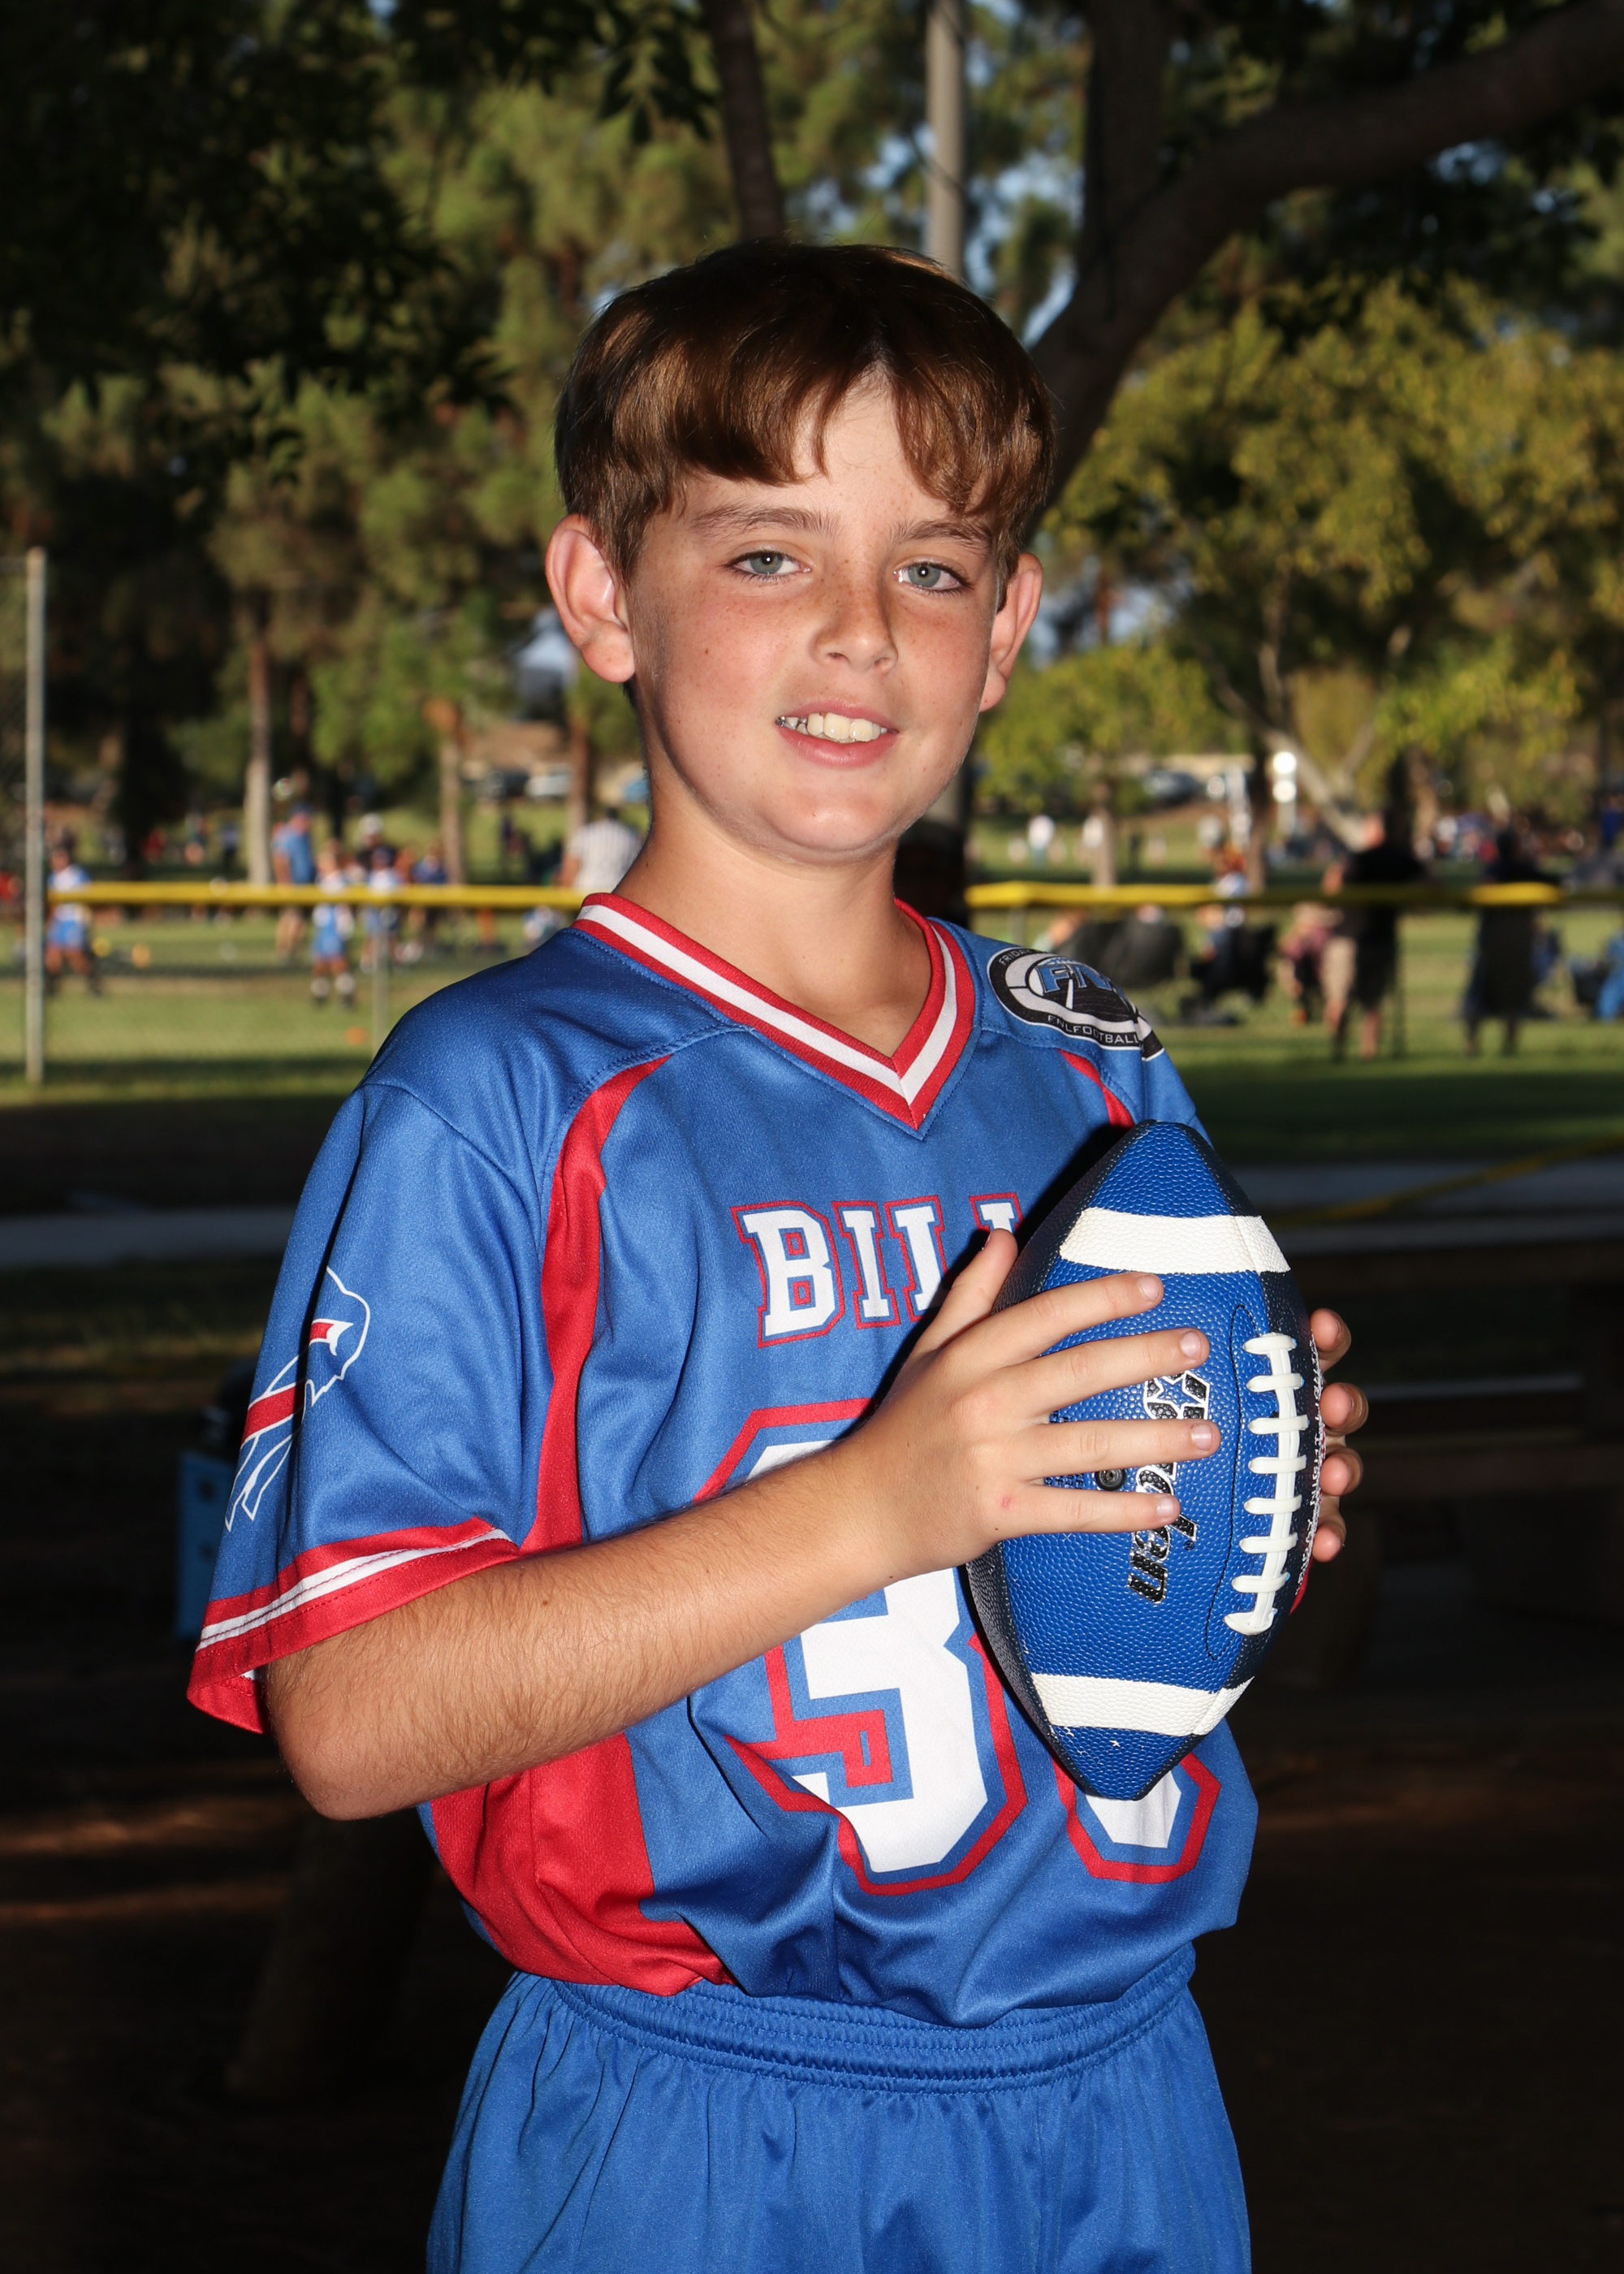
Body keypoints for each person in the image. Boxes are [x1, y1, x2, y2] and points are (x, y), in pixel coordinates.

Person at [188, 244, 1365, 2274]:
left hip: (1120, 2091)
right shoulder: (495, 1098)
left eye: (931, 567)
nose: (857, 629)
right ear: (598, 596)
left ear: (1006, 630)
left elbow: (1129, 1576)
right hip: (701, 2119)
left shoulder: (1092, 1065)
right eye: (763, 553)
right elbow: (351, 1717)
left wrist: (1248, 1496)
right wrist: (876, 1506)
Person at [1323, 811, 1426, 1061]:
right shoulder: (1394, 859)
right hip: (1370, 938)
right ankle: (1365, 1054)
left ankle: (1342, 1053)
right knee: (1367, 1002)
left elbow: (1330, 890)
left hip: (1353, 938)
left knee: (1349, 1000)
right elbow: (1432, 882)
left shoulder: (1363, 859)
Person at [1463, 824, 1545, 1055]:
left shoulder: (1494, 871)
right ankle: (1508, 1046)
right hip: (1515, 941)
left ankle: (1472, 1044)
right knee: (1510, 997)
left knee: (1481, 996)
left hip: (1493, 941)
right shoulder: (1522, 870)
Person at [44, 837, 100, 993]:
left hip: (74, 921)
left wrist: (86, 921)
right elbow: (53, 905)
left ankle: (95, 985)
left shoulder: (78, 875)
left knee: (75, 957)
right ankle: (51, 990)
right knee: (52, 956)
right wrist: (50, 922)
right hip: (59, 921)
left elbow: (88, 900)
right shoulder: (53, 878)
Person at [559, 799, 642, 894]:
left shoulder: (585, 833)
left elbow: (570, 870)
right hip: (618, 893)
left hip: (585, 893)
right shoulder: (630, 836)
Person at [309, 840, 356, 1007]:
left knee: (338, 962)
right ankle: (320, 993)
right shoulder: (322, 879)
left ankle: (346, 994)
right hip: (323, 926)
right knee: (320, 962)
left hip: (333, 926)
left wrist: (345, 926)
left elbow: (344, 909)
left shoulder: (340, 881)